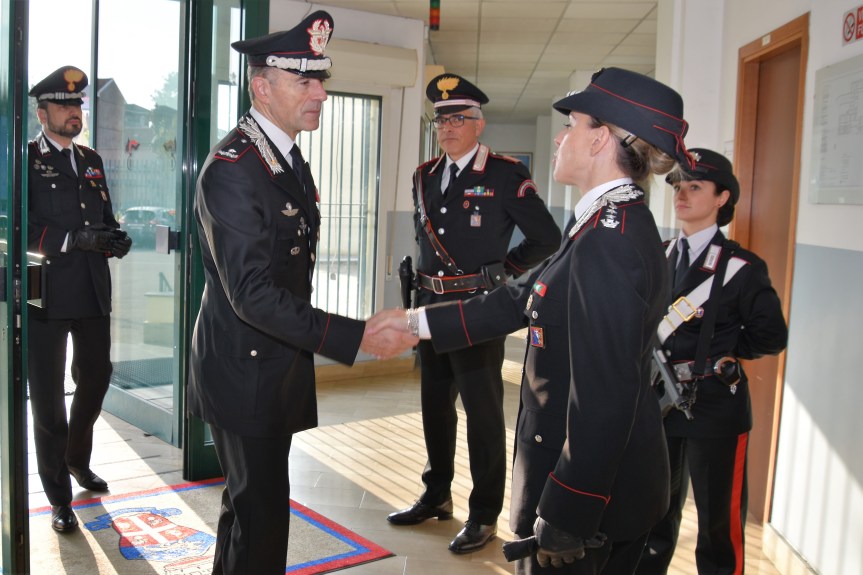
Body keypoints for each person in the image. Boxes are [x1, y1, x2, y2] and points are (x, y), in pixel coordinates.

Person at [370, 67, 694, 574]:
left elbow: (605, 397)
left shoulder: (611, 239)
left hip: (588, 508)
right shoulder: (602, 221)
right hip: (594, 493)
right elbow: (520, 297)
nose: (561, 137)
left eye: (574, 125)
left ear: (600, 140)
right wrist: (417, 323)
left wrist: (567, 511)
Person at [188, 11, 402, 575]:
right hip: (243, 369)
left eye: (321, 79)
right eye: (304, 80)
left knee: (250, 508)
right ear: (263, 86)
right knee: (261, 520)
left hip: (271, 362)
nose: (320, 93)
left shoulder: (282, 156)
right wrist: (354, 336)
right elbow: (253, 294)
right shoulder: (234, 168)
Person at [385, 73, 561, 554]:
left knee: (483, 416)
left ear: (478, 124)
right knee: (434, 408)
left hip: (478, 313)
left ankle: (484, 513)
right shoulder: (424, 174)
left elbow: (547, 237)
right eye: (441, 119)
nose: (447, 126)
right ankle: (437, 493)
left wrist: (499, 272)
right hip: (429, 309)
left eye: (458, 117)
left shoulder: (505, 175)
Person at [635, 149, 788, 574]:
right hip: (659, 405)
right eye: (678, 186)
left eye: (695, 187)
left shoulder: (742, 267)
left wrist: (721, 351)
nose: (681, 195)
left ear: (722, 198)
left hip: (716, 408)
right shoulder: (660, 255)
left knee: (718, 525)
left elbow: (772, 336)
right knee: (654, 516)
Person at [27, 65, 133, 533]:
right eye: (66, 105)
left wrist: (112, 237)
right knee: (48, 401)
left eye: (78, 105)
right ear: (42, 110)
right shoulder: (24, 159)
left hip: (92, 290)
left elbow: (102, 215)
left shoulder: (91, 159)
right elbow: (18, 229)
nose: (75, 112)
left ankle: (76, 458)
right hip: (45, 294)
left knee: (95, 378)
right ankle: (58, 498)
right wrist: (74, 239)